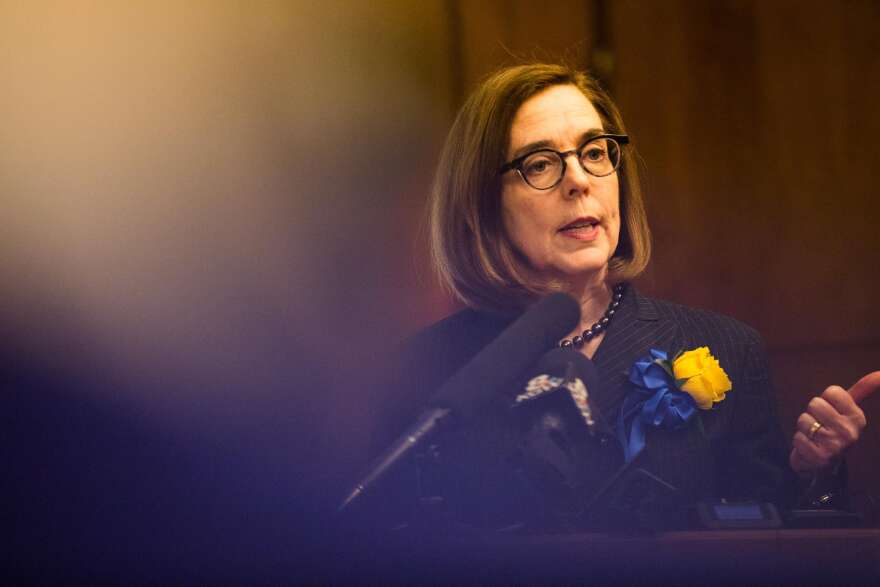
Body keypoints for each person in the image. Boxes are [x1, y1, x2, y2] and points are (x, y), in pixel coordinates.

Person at [374, 63, 867, 531]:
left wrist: (815, 473)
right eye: (541, 163)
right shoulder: (427, 369)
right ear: (481, 205)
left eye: (594, 153)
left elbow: (776, 542)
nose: (580, 181)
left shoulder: (729, 350)